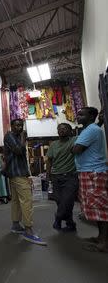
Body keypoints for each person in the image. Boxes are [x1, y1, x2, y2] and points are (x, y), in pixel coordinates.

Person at [4, 119, 46, 245]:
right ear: (11, 126)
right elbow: (19, 150)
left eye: (21, 125)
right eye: (16, 125)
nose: (19, 127)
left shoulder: (15, 136)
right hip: (17, 173)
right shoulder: (10, 136)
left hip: (17, 173)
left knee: (16, 201)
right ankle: (28, 230)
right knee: (27, 200)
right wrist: (23, 137)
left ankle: (16, 225)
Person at [72, 107, 108, 252]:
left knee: (101, 208)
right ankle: (101, 238)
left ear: (91, 116)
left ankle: (104, 243)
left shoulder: (91, 130)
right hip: (89, 172)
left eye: (81, 114)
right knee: (95, 207)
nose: (78, 116)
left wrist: (73, 146)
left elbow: (76, 149)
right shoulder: (92, 129)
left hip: (93, 173)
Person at [46, 123, 78, 232]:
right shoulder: (53, 144)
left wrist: (101, 122)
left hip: (70, 176)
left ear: (70, 131)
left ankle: (58, 218)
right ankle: (70, 223)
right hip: (56, 177)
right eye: (59, 129)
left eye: (64, 129)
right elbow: (49, 160)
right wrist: (48, 175)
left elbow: (88, 133)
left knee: (67, 200)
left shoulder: (75, 140)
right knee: (59, 201)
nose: (61, 130)